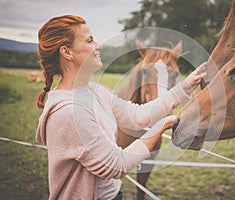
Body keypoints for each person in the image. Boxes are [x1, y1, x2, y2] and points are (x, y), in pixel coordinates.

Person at [35, 15, 207, 200]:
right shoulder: (69, 112)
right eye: (89, 40)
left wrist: (184, 87)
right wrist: (161, 126)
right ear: (67, 52)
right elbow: (117, 165)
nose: (98, 45)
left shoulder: (95, 91)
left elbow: (136, 115)